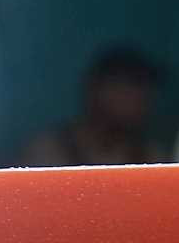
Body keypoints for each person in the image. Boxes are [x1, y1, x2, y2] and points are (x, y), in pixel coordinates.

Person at [22, 46, 164, 167]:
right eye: (129, 86)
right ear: (95, 90)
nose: (139, 99)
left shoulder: (152, 158)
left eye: (144, 90)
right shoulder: (47, 152)